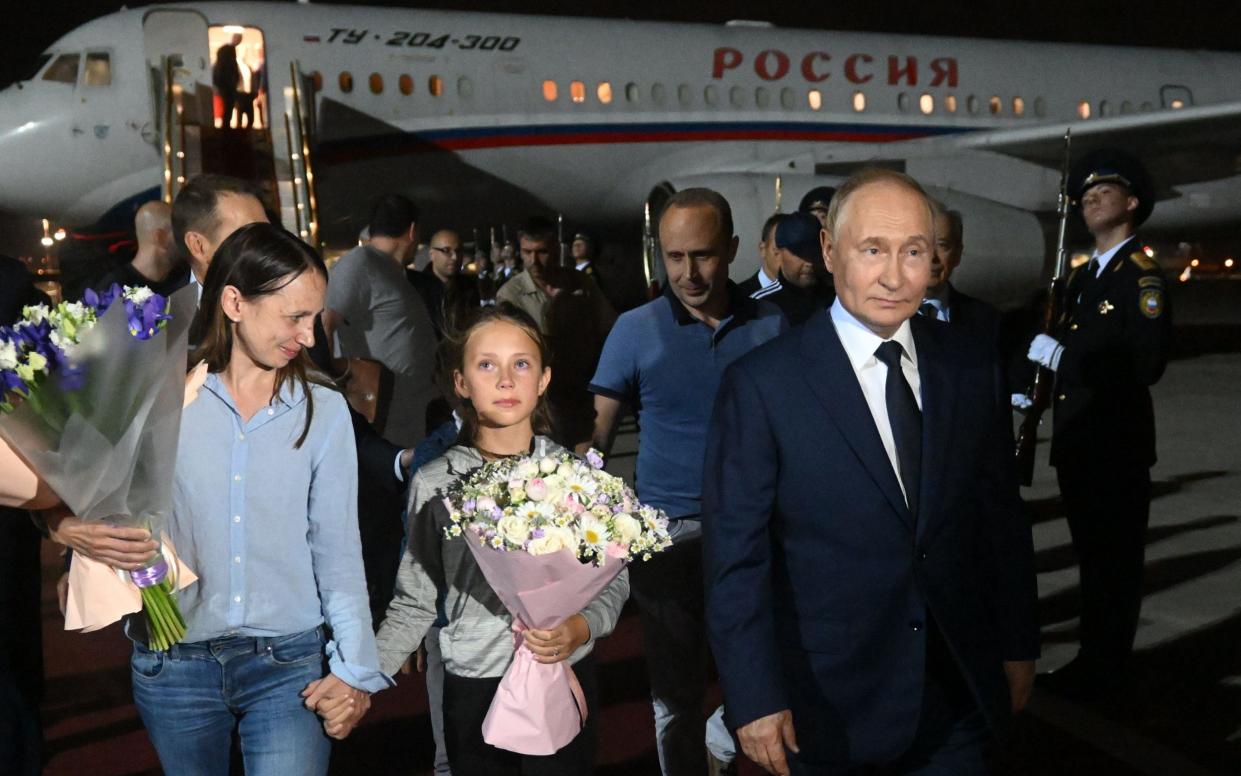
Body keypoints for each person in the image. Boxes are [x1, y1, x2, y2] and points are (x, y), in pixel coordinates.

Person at [704, 169, 1039, 775]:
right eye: (873, 250)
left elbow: (1000, 519)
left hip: (956, 692)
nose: (894, 275)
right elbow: (736, 557)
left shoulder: (967, 364)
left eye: (914, 251)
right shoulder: (762, 386)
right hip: (826, 704)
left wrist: (1017, 643)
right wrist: (754, 695)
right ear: (830, 251)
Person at [130, 222, 391, 774]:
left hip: (289, 666)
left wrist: (354, 670)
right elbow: (111, 508)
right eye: (294, 317)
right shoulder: (162, 395)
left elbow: (338, 551)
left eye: (314, 317)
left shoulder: (322, 410)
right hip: (173, 665)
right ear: (234, 302)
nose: (310, 336)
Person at [374, 304, 629, 776]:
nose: (506, 380)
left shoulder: (574, 477)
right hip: (476, 681)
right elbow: (415, 601)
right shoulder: (436, 482)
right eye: (487, 365)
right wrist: (358, 680)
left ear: (545, 378)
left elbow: (612, 577)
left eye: (522, 364)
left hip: (563, 670)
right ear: (461, 383)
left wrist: (581, 626)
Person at [589, 188, 785, 776]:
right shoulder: (633, 329)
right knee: (675, 693)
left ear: (730, 249)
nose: (687, 273)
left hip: (758, 532)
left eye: (701, 255)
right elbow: (596, 439)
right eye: (674, 257)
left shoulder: (776, 327)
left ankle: (721, 745)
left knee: (773, 672)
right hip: (666, 537)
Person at [1028, 150, 1171, 698]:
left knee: (1115, 564)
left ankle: (1109, 670)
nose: (1089, 199)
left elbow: (1146, 363)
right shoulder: (1085, 277)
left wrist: (1064, 360)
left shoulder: (1141, 276)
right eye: (1084, 195)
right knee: (1092, 560)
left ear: (1132, 203)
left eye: (1103, 191)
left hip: (1116, 445)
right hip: (1080, 441)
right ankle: (1094, 660)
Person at [323, 193, 439, 448]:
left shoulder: (391, 271)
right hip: (384, 418)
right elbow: (325, 324)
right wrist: (333, 384)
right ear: (412, 231)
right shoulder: (359, 262)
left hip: (411, 414)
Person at [497, 217, 616, 447]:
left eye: (541, 252)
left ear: (555, 249)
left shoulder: (581, 283)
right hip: (543, 403)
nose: (534, 261)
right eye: (527, 252)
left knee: (588, 469)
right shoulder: (511, 294)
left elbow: (609, 327)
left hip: (583, 394)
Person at [919, 203, 1001, 340]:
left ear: (957, 254)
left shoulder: (987, 320)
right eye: (922, 245)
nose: (932, 257)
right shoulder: (878, 314)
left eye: (942, 245)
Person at [172, 174, 268, 289]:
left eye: (267, 231)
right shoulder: (170, 306)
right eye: (248, 234)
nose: (267, 244)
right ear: (198, 246)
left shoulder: (288, 295)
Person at [752, 211, 836, 326]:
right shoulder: (761, 305)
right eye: (800, 253)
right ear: (779, 253)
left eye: (815, 252)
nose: (809, 262)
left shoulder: (837, 297)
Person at [93, 201, 187, 298]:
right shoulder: (113, 290)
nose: (186, 239)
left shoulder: (182, 276)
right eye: (178, 232)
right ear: (160, 238)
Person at [408, 228, 464, 339]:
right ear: (432, 254)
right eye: (446, 251)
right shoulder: (416, 289)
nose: (454, 257)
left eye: (458, 251)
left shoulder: (468, 286)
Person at [737, 213, 786, 298]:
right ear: (763, 249)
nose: (788, 255)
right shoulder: (739, 296)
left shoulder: (808, 294)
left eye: (795, 249)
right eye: (780, 247)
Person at [212, 42, 242, 129]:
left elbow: (216, 79)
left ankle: (224, 130)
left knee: (225, 113)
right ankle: (226, 130)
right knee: (228, 113)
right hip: (230, 91)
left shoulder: (218, 66)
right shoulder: (232, 65)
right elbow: (236, 77)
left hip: (222, 91)